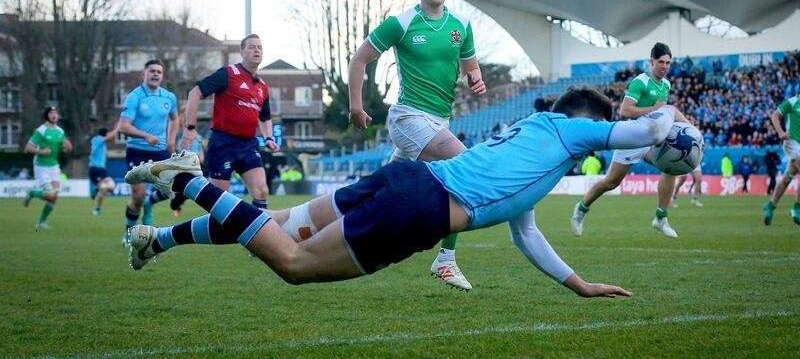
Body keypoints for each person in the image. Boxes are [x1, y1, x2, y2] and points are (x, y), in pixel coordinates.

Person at [125, 87, 689, 299]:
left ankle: (159, 239)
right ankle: (187, 179)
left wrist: (579, 285)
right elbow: (643, 130)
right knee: (293, 263)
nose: (597, 141)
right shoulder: (572, 129)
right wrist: (672, 117)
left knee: (280, 222)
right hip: (419, 207)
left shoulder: (535, 138)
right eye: (597, 129)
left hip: (408, 180)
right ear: (585, 121)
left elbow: (528, 234)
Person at [347, 0, 486, 290]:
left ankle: (322, 225)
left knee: (381, 190)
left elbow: (471, 68)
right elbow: (359, 59)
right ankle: (446, 259)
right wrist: (355, 107)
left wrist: (476, 79)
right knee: (464, 168)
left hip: (439, 122)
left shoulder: (461, 25)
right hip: (408, 118)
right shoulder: (402, 23)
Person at [571, 42, 681, 238]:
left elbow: (662, 114)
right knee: (611, 182)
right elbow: (625, 111)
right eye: (661, 62)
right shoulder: (640, 82)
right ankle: (581, 209)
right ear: (652, 61)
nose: (665, 66)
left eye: (668, 63)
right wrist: (654, 109)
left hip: (651, 140)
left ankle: (661, 217)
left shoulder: (666, 84)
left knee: (670, 166)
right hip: (632, 138)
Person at [180, 34, 279, 213]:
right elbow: (195, 92)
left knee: (262, 191)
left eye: (260, 47)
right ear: (242, 52)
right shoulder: (228, 74)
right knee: (220, 200)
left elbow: (265, 117)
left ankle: (259, 230)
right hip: (223, 143)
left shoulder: (262, 86)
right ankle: (186, 194)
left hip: (248, 145)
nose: (257, 50)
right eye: (251, 47)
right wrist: (190, 127)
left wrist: (269, 138)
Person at [118, 59, 179, 245]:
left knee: (175, 188)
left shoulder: (169, 97)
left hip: (160, 151)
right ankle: (129, 234)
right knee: (137, 198)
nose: (155, 74)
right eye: (152, 71)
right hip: (137, 151)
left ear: (162, 76)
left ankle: (149, 203)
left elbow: (175, 119)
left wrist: (171, 140)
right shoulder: (135, 96)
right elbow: (123, 126)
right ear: (144, 74)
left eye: (159, 72)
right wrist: (145, 136)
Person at [22, 106, 73, 229]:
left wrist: (67, 148)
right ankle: (32, 193)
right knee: (50, 195)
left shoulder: (60, 131)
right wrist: (41, 152)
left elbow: (67, 147)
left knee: (54, 197)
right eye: (51, 113)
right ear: (47, 115)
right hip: (41, 166)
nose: (54, 115)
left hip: (54, 166)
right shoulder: (41, 130)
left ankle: (41, 223)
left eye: (56, 113)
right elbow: (28, 147)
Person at [762, 95, 800, 226]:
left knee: (787, 178)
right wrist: (780, 132)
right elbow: (775, 115)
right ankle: (797, 208)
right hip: (792, 142)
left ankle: (770, 205)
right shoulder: (793, 102)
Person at [89, 122, 121, 215]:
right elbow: (110, 136)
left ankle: (96, 190)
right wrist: (117, 128)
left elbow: (109, 136)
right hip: (95, 169)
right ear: (105, 134)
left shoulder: (100, 142)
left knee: (112, 187)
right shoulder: (97, 140)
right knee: (103, 188)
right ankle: (97, 209)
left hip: (102, 170)